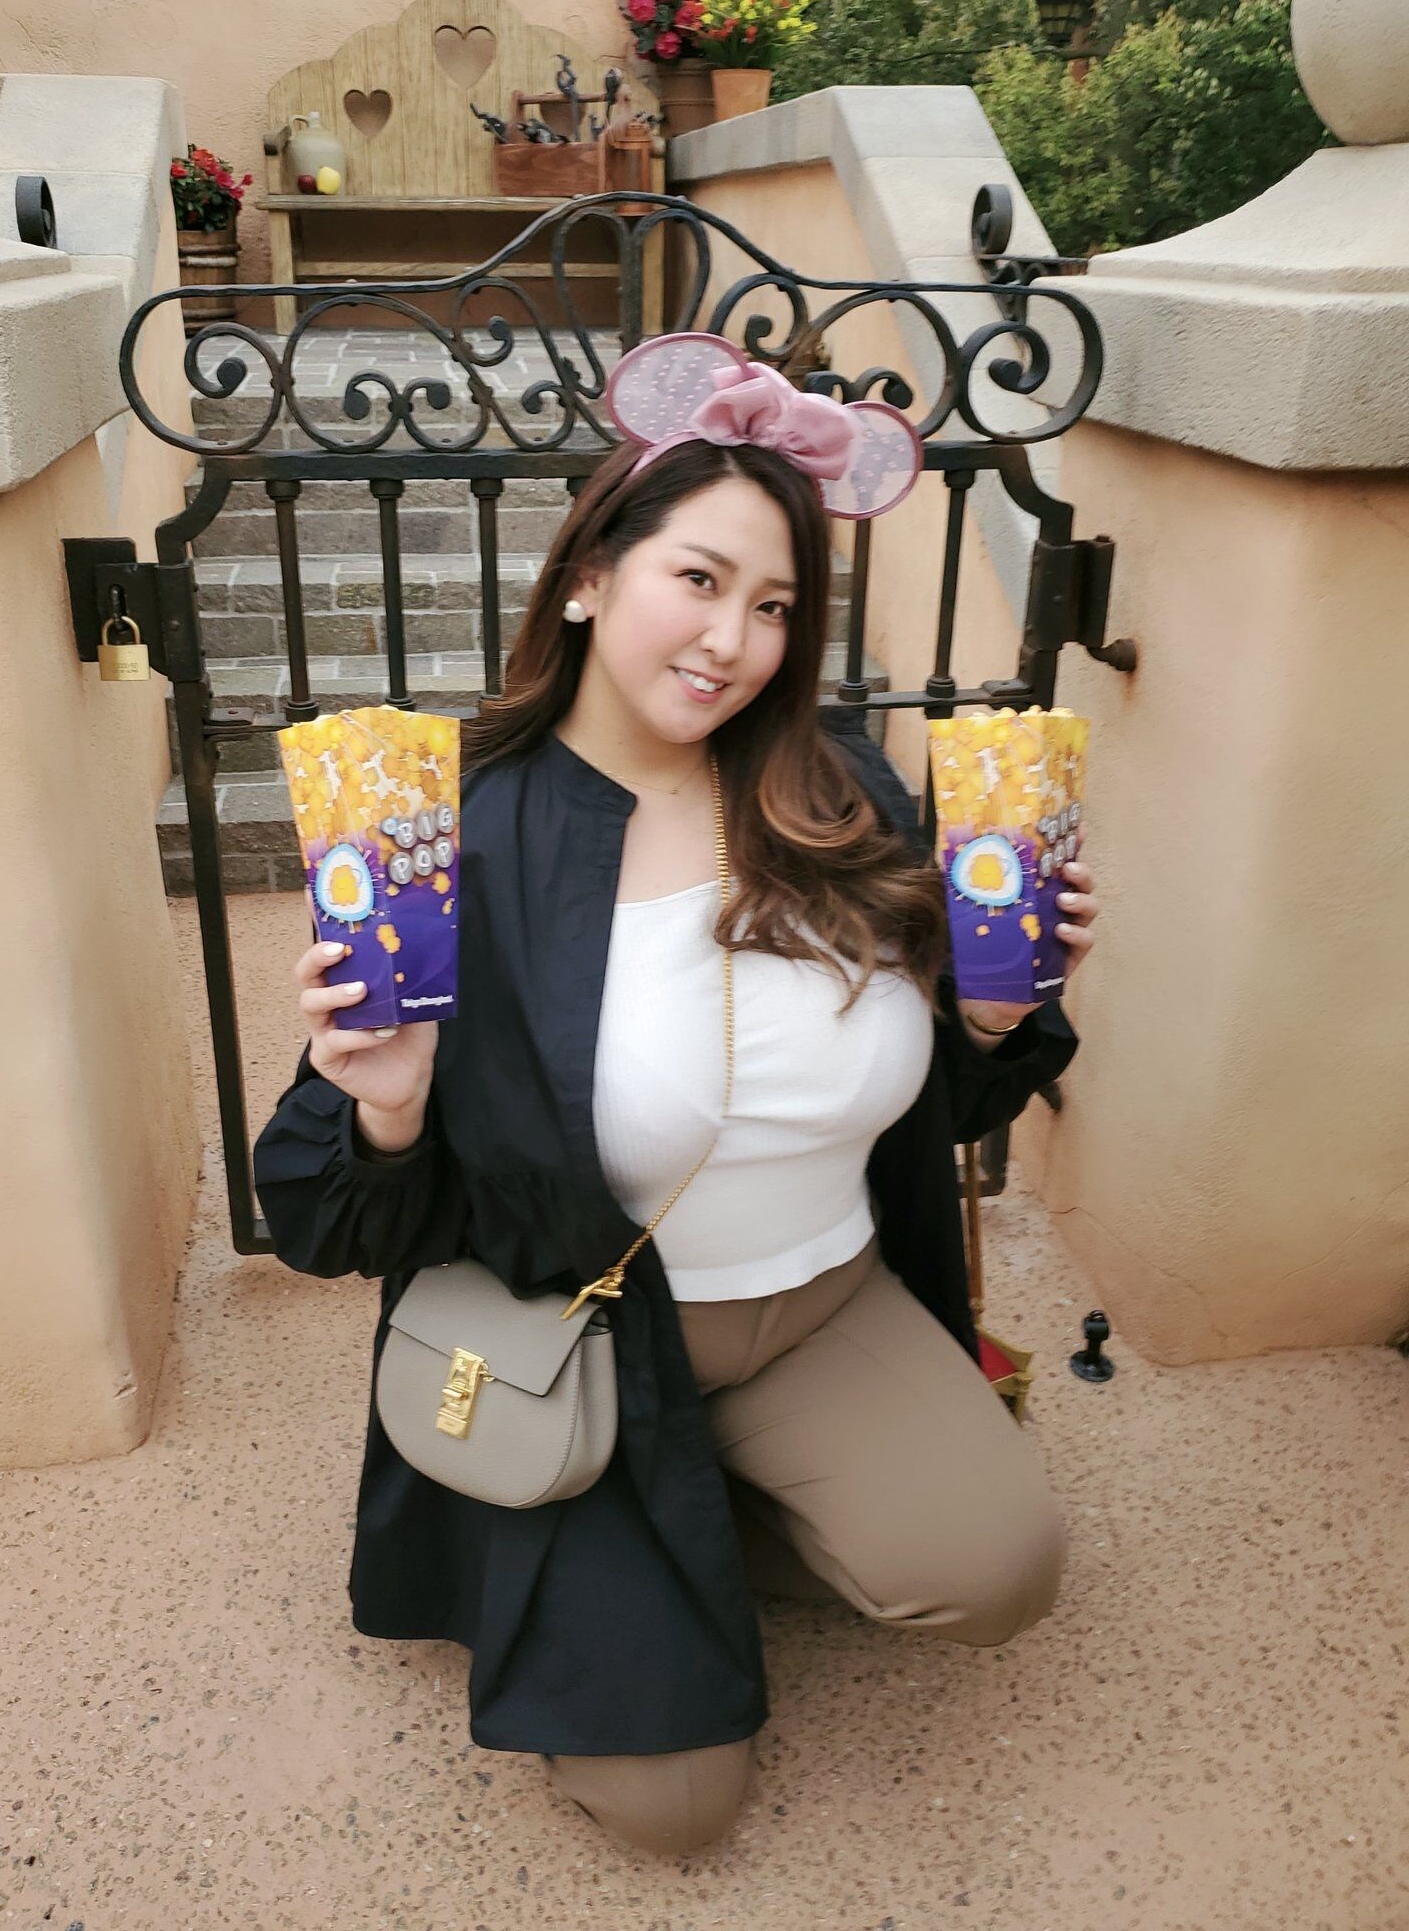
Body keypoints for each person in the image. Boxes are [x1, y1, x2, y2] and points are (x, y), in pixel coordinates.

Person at [253, 335, 1096, 1857]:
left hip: (823, 1307)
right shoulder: (457, 842)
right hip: (583, 1341)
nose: (733, 641)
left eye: (775, 605)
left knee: (997, 1575)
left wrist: (988, 1017)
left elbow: (934, 1116)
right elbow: (322, 1224)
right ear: (589, 575)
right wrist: (381, 1106)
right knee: (674, 1810)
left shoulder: (836, 793)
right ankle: (647, 1510)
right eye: (697, 579)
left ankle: (725, 1501)